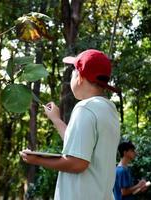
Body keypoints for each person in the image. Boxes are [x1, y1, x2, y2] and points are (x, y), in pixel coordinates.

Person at [20, 49, 121, 200]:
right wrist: (56, 119)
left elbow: (77, 163)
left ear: (80, 77)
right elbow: (79, 148)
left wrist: (37, 160)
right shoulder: (109, 109)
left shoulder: (84, 108)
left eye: (73, 71)